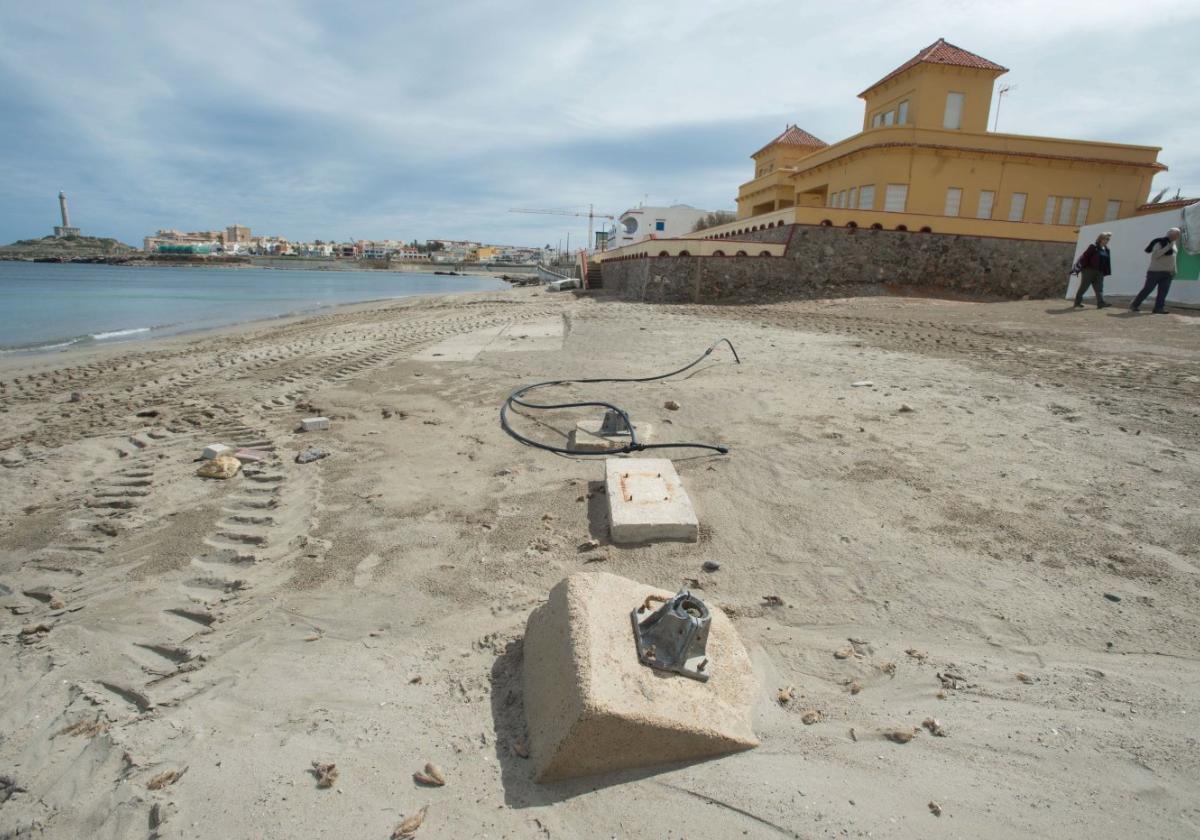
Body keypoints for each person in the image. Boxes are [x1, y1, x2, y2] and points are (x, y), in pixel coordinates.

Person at [1130, 227, 1181, 314]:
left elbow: (1174, 258)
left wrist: (1174, 270)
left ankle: (1158, 308)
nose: (1177, 236)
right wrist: (1168, 247)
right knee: (1148, 289)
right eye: (1175, 234)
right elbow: (1155, 255)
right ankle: (1134, 305)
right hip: (1155, 272)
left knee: (1163, 292)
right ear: (1169, 234)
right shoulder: (1160, 242)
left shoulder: (1174, 244)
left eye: (1178, 234)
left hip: (1168, 273)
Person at [1073, 232, 1113, 308]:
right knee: (1084, 287)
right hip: (1089, 270)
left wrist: (1105, 271)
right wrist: (1082, 268)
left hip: (1100, 272)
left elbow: (1107, 262)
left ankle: (1101, 303)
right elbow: (1085, 257)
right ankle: (1077, 303)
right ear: (1101, 239)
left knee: (1099, 288)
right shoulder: (1093, 247)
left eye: (1108, 239)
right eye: (1106, 239)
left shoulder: (1107, 250)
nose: (1107, 240)